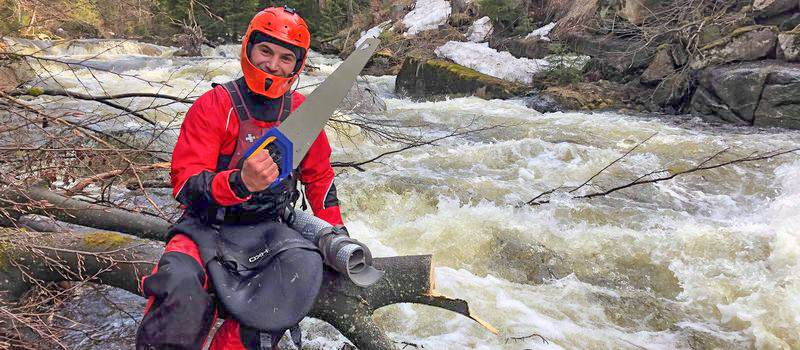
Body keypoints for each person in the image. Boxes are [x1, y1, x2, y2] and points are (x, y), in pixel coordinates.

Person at [135, 6, 345, 350]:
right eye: (265, 51)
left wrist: (336, 237)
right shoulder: (215, 105)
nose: (273, 65)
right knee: (179, 285)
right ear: (249, 49)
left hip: (269, 230)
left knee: (295, 279)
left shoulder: (302, 113)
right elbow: (186, 185)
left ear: (297, 66)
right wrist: (239, 183)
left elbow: (320, 180)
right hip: (206, 224)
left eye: (285, 58)